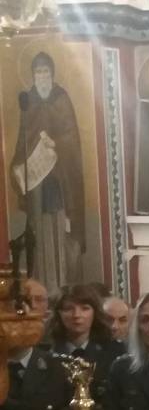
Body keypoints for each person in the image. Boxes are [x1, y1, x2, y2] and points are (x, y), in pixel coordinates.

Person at [10, 53, 86, 288]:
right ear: (33, 76)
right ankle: (41, 282)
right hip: (37, 181)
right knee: (39, 228)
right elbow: (23, 138)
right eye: (38, 72)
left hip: (60, 178)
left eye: (45, 72)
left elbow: (72, 136)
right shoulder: (29, 101)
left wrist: (56, 143)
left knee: (60, 226)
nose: (42, 76)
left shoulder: (61, 98)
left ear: (52, 74)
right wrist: (19, 164)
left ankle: (62, 283)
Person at [48, 284, 125, 401]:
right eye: (68, 309)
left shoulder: (115, 352)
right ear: (58, 313)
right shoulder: (47, 354)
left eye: (85, 308)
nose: (76, 315)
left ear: (95, 312)